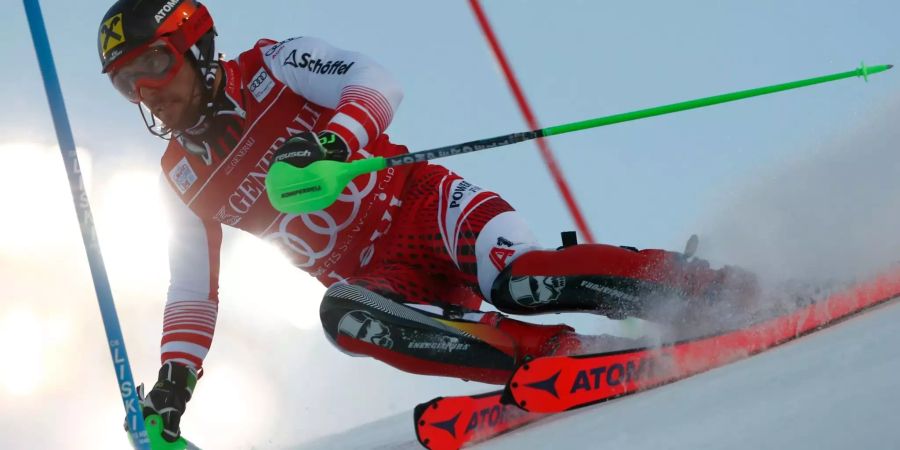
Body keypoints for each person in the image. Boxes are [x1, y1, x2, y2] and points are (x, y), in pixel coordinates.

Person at [98, 0, 757, 442]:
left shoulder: (273, 66)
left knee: (518, 281)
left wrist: (333, 144)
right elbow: (192, 291)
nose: (149, 91)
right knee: (344, 317)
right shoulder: (181, 176)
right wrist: (175, 381)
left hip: (427, 208)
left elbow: (377, 81)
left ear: (194, 45)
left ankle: (712, 291)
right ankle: (552, 356)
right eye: (128, 84)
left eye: (155, 63)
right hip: (384, 277)